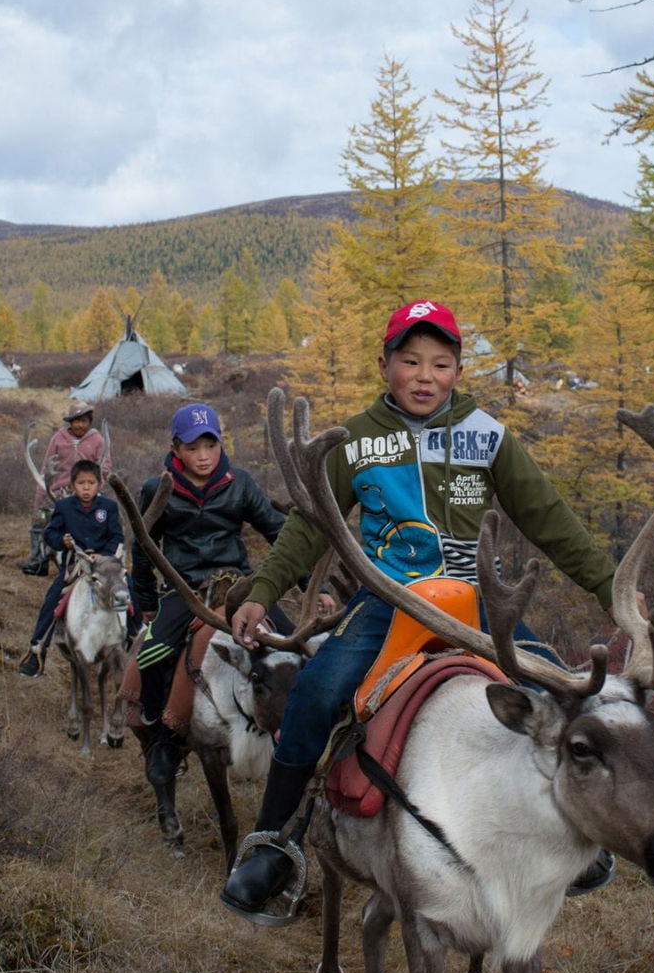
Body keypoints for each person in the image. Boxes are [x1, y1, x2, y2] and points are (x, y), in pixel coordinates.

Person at [220, 299, 633, 921]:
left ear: (458, 371)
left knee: (564, 695)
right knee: (315, 692)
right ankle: (273, 841)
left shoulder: (487, 437)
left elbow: (550, 520)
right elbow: (309, 529)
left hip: (475, 609)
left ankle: (575, 832)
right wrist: (260, 592)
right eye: (409, 361)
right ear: (384, 364)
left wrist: (611, 590)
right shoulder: (353, 440)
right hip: (388, 601)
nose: (424, 375)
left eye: (440, 364)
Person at [132, 403, 286, 784]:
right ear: (176, 448)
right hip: (184, 590)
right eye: (193, 447)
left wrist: (313, 585)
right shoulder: (158, 489)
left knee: (294, 645)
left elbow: (277, 531)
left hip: (238, 585)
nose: (203, 456)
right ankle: (161, 739)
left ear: (220, 443)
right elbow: (142, 548)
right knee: (151, 655)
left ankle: (296, 732)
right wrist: (148, 604)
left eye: (210, 445)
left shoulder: (240, 483)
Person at [21, 459, 124, 679]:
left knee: (128, 590)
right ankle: (37, 649)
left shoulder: (109, 508)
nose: (86, 488)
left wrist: (102, 554)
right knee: (52, 600)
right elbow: (50, 534)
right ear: (73, 484)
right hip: (75, 566)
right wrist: (63, 541)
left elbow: (117, 537)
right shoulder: (63, 507)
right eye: (81, 483)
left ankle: (135, 636)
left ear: (99, 484)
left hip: (104, 566)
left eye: (91, 483)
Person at [23, 400, 108, 576]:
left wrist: (96, 486)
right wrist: (41, 497)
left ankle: (102, 560)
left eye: (83, 421)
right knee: (41, 521)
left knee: (103, 521)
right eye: (76, 421)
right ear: (70, 422)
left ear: (89, 421)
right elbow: (46, 467)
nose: (80, 425)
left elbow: (105, 468)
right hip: (58, 492)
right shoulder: (58, 438)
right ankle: (39, 561)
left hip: (88, 491)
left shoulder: (98, 440)